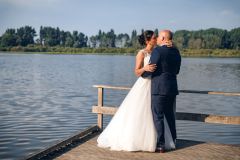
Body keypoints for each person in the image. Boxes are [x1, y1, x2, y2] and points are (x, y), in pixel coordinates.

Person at [97, 30, 175, 152]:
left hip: (156, 85)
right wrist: (145, 67)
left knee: (154, 115)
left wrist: (172, 45)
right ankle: (138, 141)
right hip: (144, 84)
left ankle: (156, 141)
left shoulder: (158, 51)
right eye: (154, 38)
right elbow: (137, 72)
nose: (156, 39)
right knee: (141, 112)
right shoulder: (141, 53)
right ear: (148, 40)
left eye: (156, 37)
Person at [142, 30, 181, 153]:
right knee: (170, 115)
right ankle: (173, 140)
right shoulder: (176, 52)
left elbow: (150, 69)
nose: (157, 38)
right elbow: (177, 71)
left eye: (159, 36)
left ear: (163, 38)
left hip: (159, 88)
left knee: (158, 116)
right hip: (172, 87)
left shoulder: (158, 51)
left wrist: (143, 73)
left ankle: (161, 144)